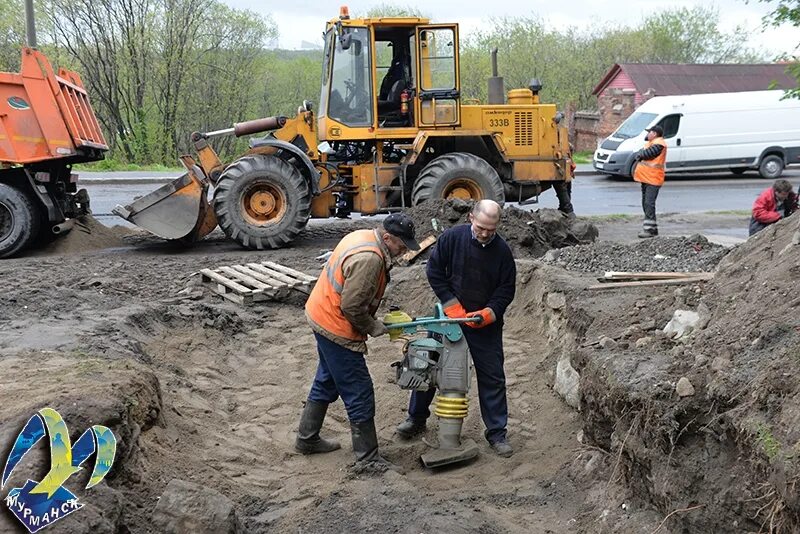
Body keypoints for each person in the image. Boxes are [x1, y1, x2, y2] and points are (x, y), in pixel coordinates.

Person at [295, 213, 420, 469]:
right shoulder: (370, 259)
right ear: (387, 238)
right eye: (401, 244)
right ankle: (368, 459)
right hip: (336, 325)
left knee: (327, 380)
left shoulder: (363, 237)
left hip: (321, 314)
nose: (404, 249)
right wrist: (374, 327)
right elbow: (352, 306)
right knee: (359, 391)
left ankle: (306, 439)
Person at [395, 200, 517, 457]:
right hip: (448, 319)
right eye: (481, 227)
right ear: (471, 217)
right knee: (427, 366)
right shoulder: (452, 239)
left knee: (492, 376)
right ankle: (416, 418)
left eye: (491, 230)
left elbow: (506, 289)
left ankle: (496, 432)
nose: (485, 234)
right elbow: (434, 271)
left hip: (482, 324)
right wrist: (451, 305)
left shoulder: (502, 252)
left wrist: (489, 313)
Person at [632, 125, 667, 238]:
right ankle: (652, 229)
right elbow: (641, 153)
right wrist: (640, 154)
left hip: (653, 178)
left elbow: (646, 154)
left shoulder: (659, 144)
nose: (647, 134)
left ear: (655, 134)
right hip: (647, 178)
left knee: (649, 204)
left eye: (649, 132)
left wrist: (640, 154)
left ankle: (649, 231)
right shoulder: (652, 143)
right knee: (646, 204)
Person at [552, 144, 576, 217]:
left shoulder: (567, 158)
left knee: (565, 190)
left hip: (565, 175)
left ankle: (566, 210)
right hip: (564, 174)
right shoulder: (565, 156)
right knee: (564, 190)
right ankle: (567, 210)